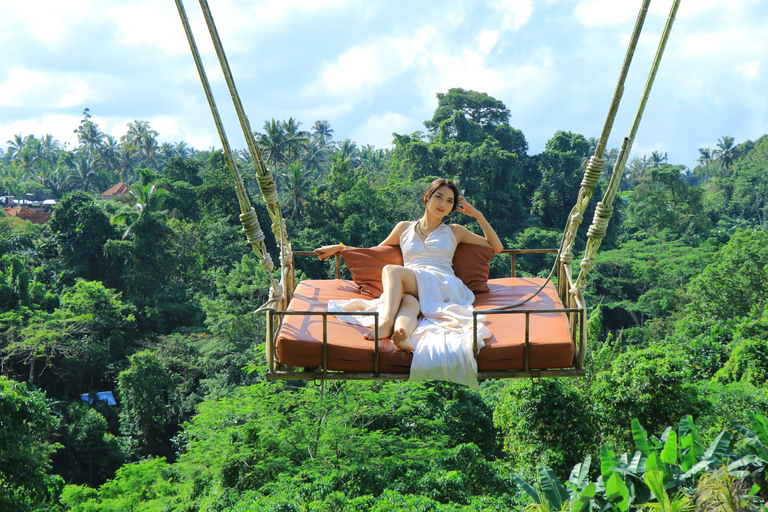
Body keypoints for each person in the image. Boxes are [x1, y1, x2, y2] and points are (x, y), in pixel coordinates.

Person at [315, 179, 502, 388]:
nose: (443, 204)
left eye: (449, 201)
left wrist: (477, 214)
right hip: (412, 283)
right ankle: (402, 337)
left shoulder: (455, 231)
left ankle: (385, 323)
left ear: (452, 207)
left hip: (442, 283)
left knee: (391, 270)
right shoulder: (404, 228)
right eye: (438, 196)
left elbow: (497, 247)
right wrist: (340, 248)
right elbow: (374, 252)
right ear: (427, 197)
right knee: (407, 302)